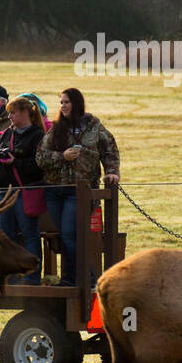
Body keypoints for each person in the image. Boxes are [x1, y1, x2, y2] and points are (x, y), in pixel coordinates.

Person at [36, 88, 120, 286]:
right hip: (55, 190)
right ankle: (71, 278)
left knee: (69, 234)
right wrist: (61, 157)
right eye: (61, 103)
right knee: (65, 237)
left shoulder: (94, 127)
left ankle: (87, 278)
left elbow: (110, 151)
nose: (63, 106)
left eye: (66, 102)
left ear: (76, 103)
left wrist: (112, 171)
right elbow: (40, 157)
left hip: (81, 191)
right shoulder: (56, 129)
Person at [0, 97, 45, 284]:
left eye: (13, 113)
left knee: (30, 235)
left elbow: (39, 165)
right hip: (4, 191)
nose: (10, 116)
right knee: (7, 237)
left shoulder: (37, 135)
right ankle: (11, 278)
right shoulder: (6, 133)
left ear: (25, 113)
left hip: (24, 191)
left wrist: (16, 161)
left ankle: (32, 277)